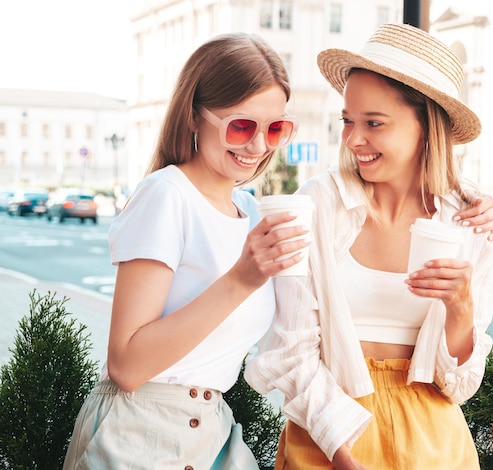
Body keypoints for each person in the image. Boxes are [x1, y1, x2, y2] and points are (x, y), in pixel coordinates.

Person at [245, 23, 493, 469]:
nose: (352, 139)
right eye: (348, 121)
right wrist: (343, 454)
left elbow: (459, 385)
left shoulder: (468, 219)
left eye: (373, 123)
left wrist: (460, 308)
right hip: (327, 438)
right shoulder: (317, 205)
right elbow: (290, 352)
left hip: (434, 446)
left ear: (426, 124)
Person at [62, 32, 309, 469]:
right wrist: (241, 278)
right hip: (138, 434)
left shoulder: (252, 212)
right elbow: (127, 366)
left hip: (211, 432)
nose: (258, 146)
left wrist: (464, 204)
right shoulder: (166, 195)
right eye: (241, 125)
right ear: (195, 116)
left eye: (275, 129)